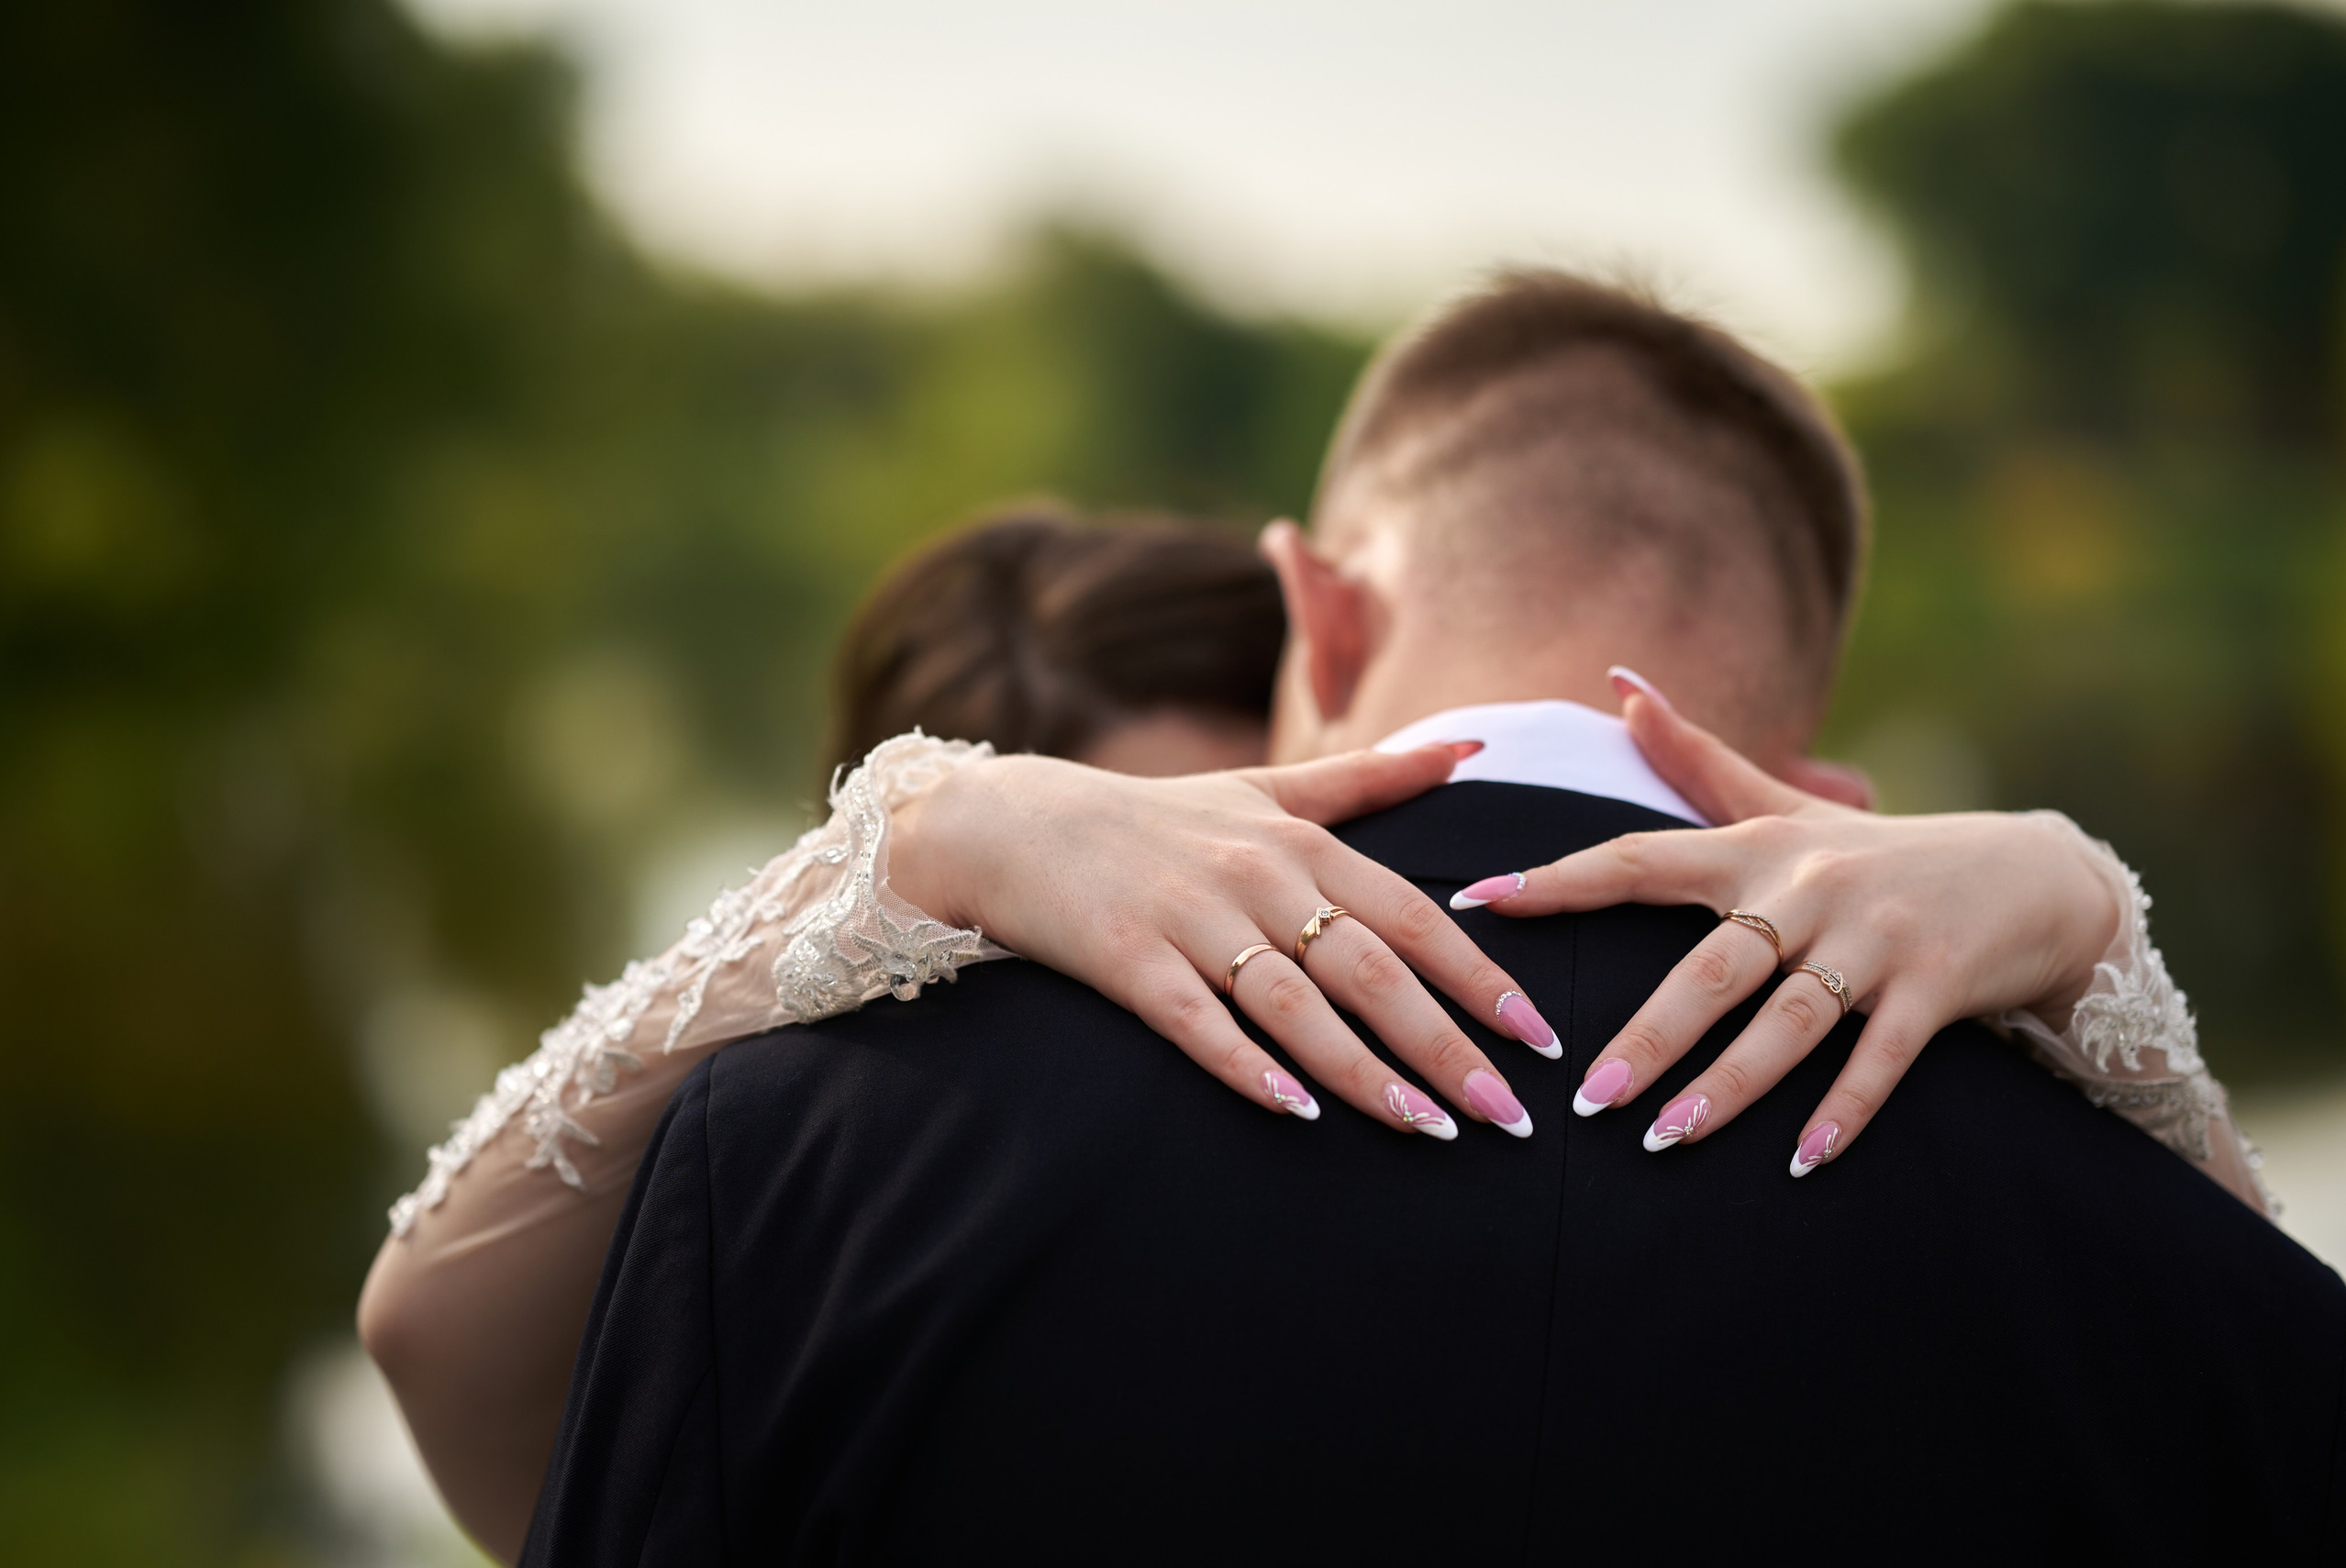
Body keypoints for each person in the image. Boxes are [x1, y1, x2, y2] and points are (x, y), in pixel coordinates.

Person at [506, 272, 2343, 1562]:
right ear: (1821, 788)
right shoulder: (2179, 1273)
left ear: (1314, 615)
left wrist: (894, 835)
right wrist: (2101, 944)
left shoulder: (790, 1155)